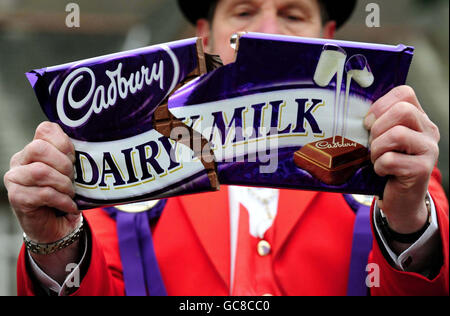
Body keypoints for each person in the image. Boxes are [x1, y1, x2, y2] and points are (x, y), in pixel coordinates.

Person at [4, 0, 448, 296]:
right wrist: (53, 242)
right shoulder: (125, 157)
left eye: (293, 14)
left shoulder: (388, 155)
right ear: (204, 35)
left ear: (328, 34)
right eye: (243, 11)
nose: (267, 33)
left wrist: (409, 218)